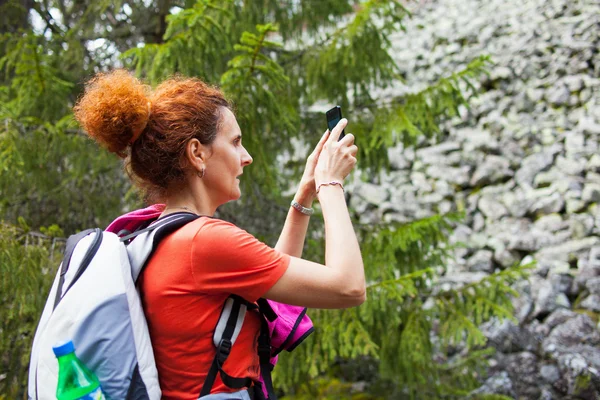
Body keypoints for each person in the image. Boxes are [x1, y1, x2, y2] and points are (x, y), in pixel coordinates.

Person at [73, 70, 365, 399]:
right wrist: (331, 184)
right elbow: (349, 287)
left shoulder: (153, 233)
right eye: (236, 142)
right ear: (197, 153)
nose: (247, 157)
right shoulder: (204, 243)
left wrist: (304, 195)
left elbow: (270, 283)